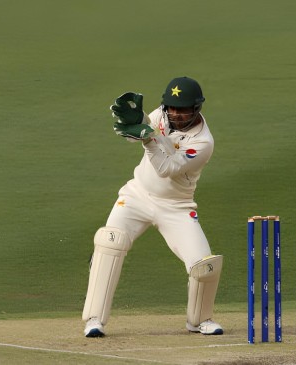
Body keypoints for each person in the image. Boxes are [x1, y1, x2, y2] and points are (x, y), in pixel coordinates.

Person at [82, 76, 224, 338]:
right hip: (136, 196)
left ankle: (200, 320)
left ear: (196, 109)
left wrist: (148, 138)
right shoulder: (161, 114)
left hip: (177, 207)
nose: (176, 115)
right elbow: (134, 136)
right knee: (110, 243)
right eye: (171, 108)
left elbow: (166, 168)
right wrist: (134, 123)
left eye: (183, 110)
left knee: (204, 266)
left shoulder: (203, 142)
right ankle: (94, 320)